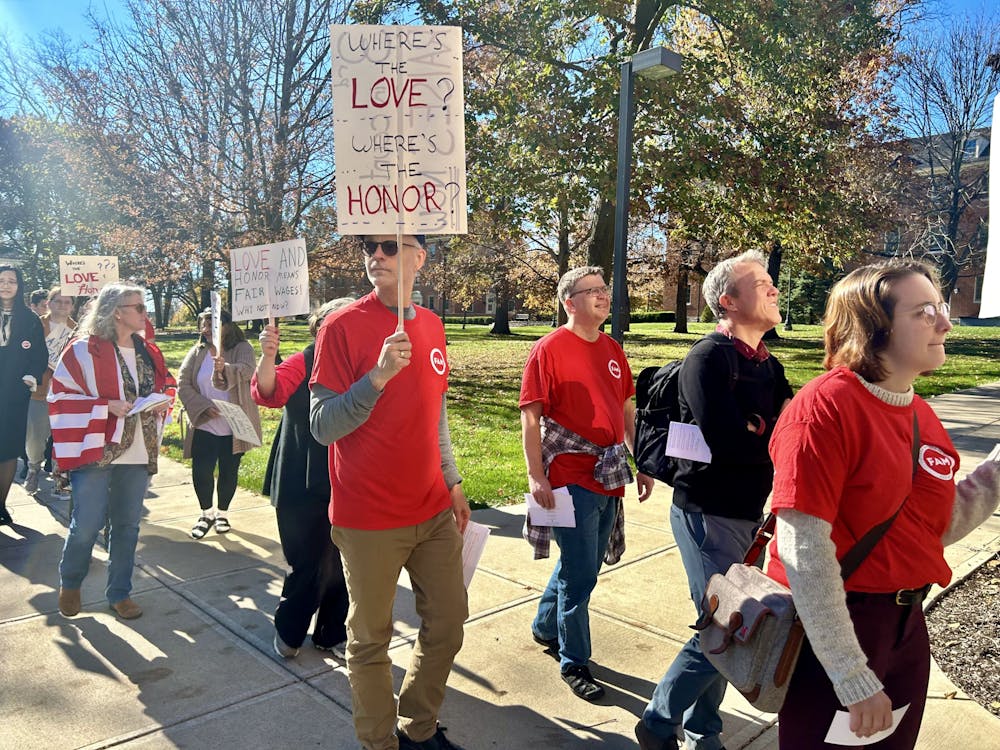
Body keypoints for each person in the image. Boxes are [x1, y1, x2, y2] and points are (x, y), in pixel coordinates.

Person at [766, 260, 1000, 749]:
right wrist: (853, 676)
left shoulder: (921, 413)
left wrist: (994, 474)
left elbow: (934, 527)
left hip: (908, 627)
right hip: (840, 629)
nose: (946, 322)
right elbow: (803, 551)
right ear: (875, 329)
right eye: (924, 311)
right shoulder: (824, 409)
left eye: (939, 307)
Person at [310, 234, 470, 750]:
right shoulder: (341, 326)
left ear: (418, 258)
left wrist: (452, 480)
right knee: (369, 640)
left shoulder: (433, 325)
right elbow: (321, 425)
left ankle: (418, 724)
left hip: (431, 509)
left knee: (447, 624)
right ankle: (379, 742)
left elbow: (434, 414)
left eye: (388, 246)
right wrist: (376, 377)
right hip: (368, 517)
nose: (375, 255)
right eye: (368, 247)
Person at [636, 250, 793, 750]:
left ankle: (705, 730)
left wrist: (760, 430)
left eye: (771, 281)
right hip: (705, 511)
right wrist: (762, 433)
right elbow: (727, 442)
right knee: (726, 624)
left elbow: (788, 433)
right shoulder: (708, 358)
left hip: (748, 512)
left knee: (725, 623)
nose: (772, 289)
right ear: (728, 301)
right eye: (760, 282)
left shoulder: (769, 364)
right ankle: (659, 722)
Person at [519, 265, 654, 702]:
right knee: (581, 577)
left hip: (609, 474)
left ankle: (545, 625)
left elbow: (627, 410)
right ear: (569, 302)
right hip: (568, 477)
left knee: (584, 564)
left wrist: (642, 460)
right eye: (591, 291)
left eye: (603, 289)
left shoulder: (613, 349)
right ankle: (574, 660)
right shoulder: (548, 349)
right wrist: (535, 474)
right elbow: (531, 417)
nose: (602, 296)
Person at [48, 284, 174, 619]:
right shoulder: (83, 350)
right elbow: (59, 397)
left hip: (137, 450)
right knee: (86, 522)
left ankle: (120, 593)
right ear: (117, 311)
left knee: (127, 525)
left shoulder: (149, 351)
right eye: (140, 308)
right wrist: (105, 406)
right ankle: (71, 581)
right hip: (96, 449)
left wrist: (161, 401)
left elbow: (167, 384)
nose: (146, 314)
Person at [251, 299, 353, 660]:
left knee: (344, 563)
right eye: (338, 322)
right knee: (306, 562)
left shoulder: (363, 363)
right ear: (320, 328)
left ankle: (332, 633)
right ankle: (289, 631)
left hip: (347, 478)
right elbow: (270, 392)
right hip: (300, 476)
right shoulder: (304, 359)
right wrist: (267, 355)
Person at [177, 308, 260, 538]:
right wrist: (203, 406)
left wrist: (225, 368)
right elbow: (183, 383)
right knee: (201, 471)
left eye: (210, 324)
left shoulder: (242, 348)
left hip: (235, 424)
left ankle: (222, 513)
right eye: (202, 325)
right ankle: (206, 514)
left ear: (225, 325)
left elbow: (247, 370)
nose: (204, 330)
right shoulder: (197, 352)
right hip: (205, 423)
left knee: (228, 471)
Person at [0, 266, 47, 525]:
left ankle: (1, 504)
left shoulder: (30, 319)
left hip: (14, 392)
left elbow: (39, 354)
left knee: (7, 450)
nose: (6, 286)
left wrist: (30, 376)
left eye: (12, 281)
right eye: (1, 281)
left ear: (19, 286)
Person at [25, 287, 76, 495]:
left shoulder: (78, 329)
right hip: (39, 390)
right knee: (35, 437)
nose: (62, 305)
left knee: (64, 438)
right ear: (49, 302)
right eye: (58, 301)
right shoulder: (36, 324)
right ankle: (34, 468)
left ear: (73, 305)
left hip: (67, 391)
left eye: (67, 302)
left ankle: (60, 479)